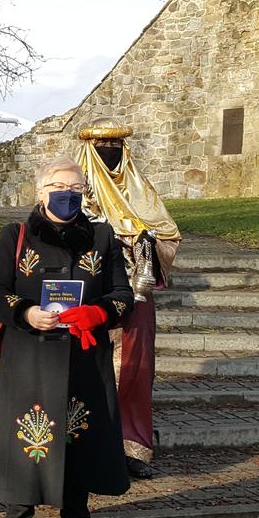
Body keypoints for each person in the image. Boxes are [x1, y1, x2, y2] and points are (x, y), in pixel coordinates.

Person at [0, 157, 134, 518]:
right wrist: (25, 312)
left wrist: (97, 313)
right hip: (29, 361)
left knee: (78, 446)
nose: (69, 194)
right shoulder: (16, 235)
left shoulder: (102, 237)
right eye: (59, 186)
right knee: (24, 449)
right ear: (40, 191)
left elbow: (123, 295)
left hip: (83, 361)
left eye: (77, 187)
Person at [77, 118, 181, 480]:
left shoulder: (141, 190)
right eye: (103, 145)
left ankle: (131, 447)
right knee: (90, 373)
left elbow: (168, 233)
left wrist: (147, 242)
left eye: (117, 144)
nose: (111, 152)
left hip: (136, 296)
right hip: (91, 295)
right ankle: (86, 448)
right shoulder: (77, 189)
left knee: (134, 372)